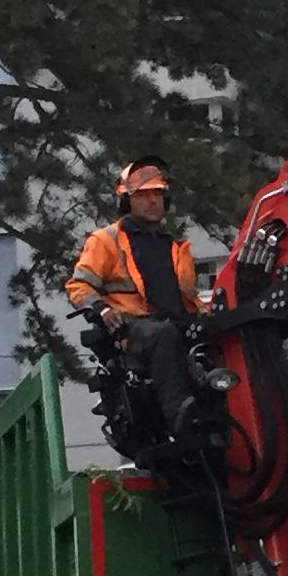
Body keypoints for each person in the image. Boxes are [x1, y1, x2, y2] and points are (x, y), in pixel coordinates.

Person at [66, 157, 207, 443]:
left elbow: (188, 298)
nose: (153, 201)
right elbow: (79, 285)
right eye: (143, 195)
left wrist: (208, 314)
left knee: (217, 332)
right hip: (133, 328)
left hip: (176, 323)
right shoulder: (106, 241)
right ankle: (180, 416)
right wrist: (101, 309)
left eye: (158, 193)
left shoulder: (176, 246)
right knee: (164, 334)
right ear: (126, 201)